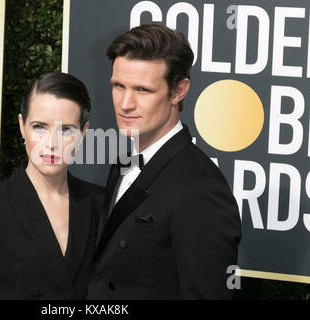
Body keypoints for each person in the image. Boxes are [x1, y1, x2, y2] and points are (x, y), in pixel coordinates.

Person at [87, 23, 242, 299]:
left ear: (179, 90)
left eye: (143, 90)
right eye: (118, 86)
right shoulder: (125, 159)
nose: (125, 103)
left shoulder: (201, 189)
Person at [0, 72, 103, 299]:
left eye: (65, 130)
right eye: (39, 127)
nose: (51, 144)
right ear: (22, 127)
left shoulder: (99, 202)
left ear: (83, 132)